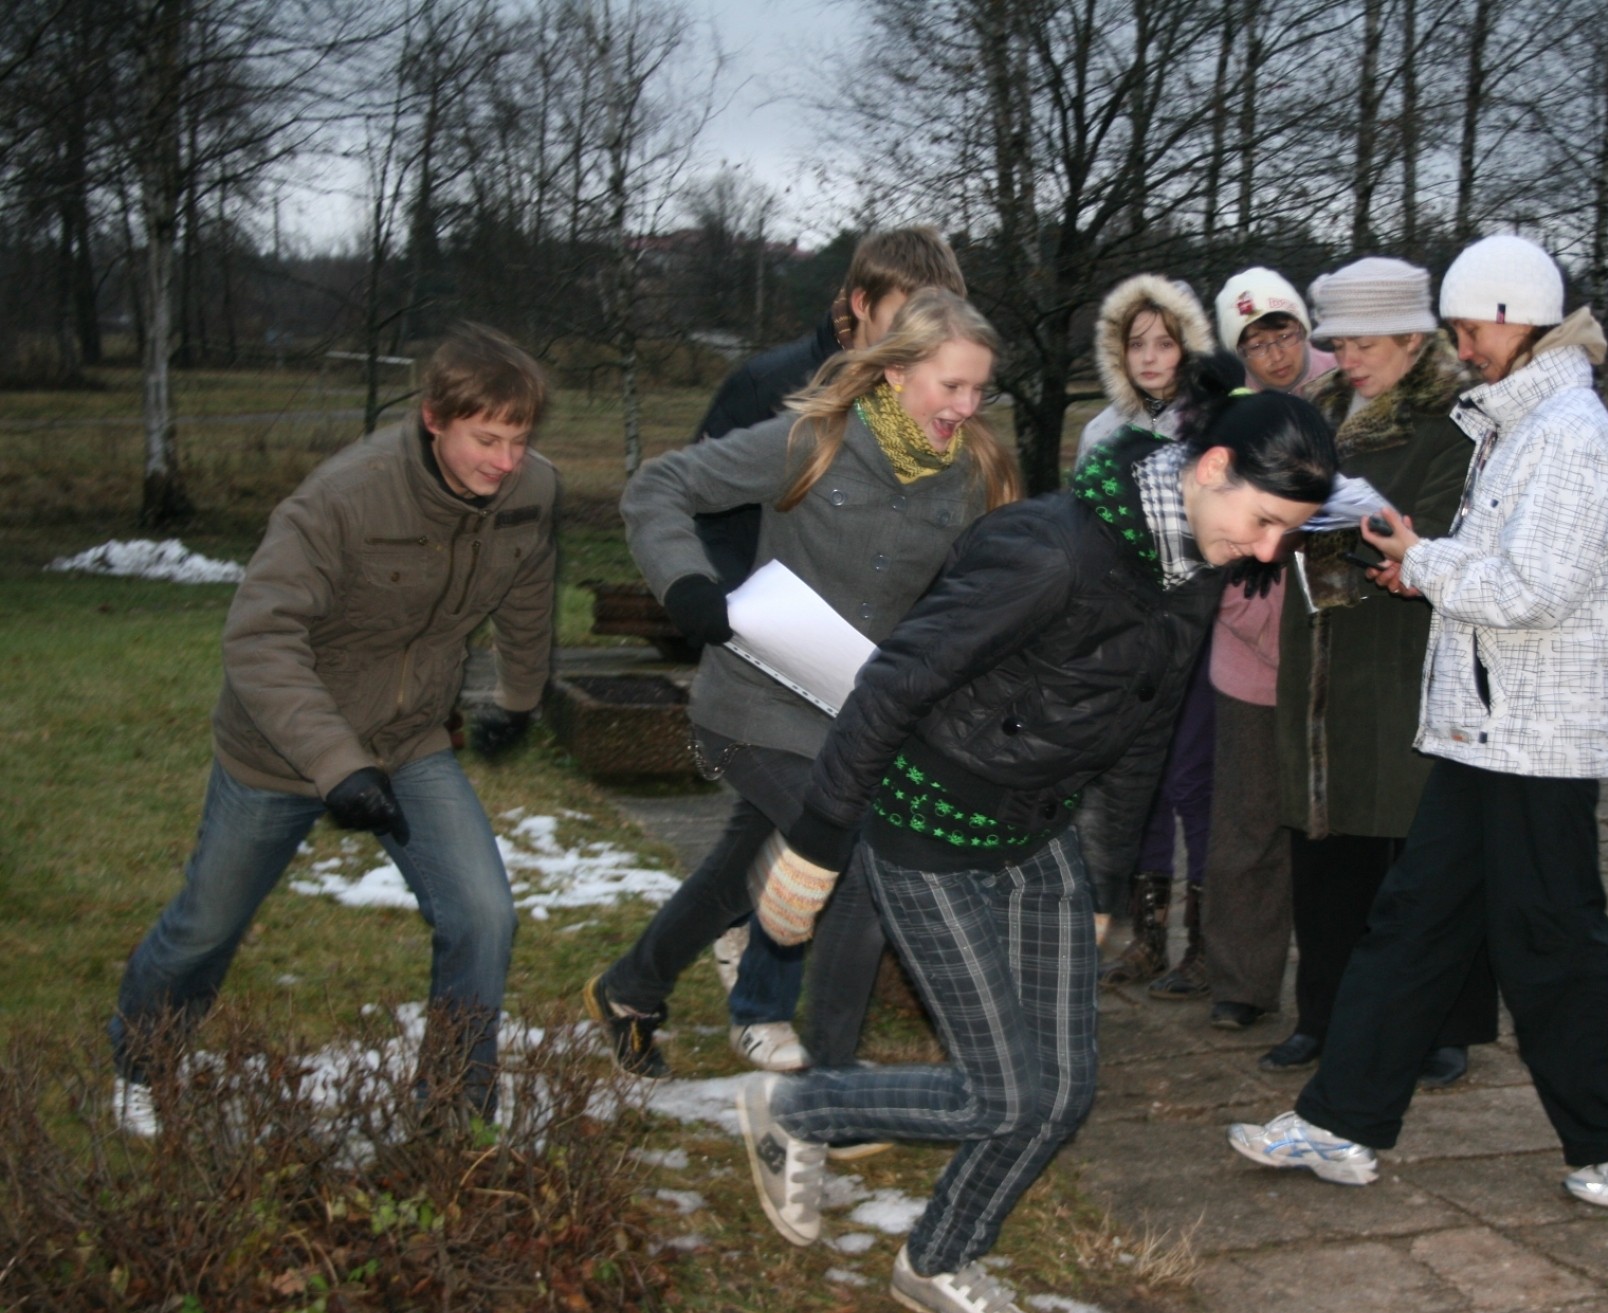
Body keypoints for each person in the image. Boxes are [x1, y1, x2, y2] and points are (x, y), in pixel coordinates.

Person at [732, 356, 1337, 1313]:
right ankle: (800, 1105)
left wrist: (1104, 881)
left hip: (1039, 833)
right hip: (925, 828)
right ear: (1213, 465)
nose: (1265, 549)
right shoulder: (1050, 550)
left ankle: (935, 1256)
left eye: (1284, 533)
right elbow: (890, 687)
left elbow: (1139, 736)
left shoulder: (1189, 574)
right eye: (1263, 520)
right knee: (1001, 1089)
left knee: (1060, 1089)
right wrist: (813, 845)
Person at [1229, 236, 1608, 1210]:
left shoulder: (1567, 433)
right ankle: (1339, 1121)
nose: (1457, 346)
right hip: (1483, 729)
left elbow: (1532, 588)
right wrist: (1424, 551)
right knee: (1411, 924)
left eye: (1463, 328)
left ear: (1513, 317)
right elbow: (1499, 563)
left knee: (1555, 939)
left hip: (1534, 735)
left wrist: (1420, 564)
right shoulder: (1516, 424)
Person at [108, 324, 558, 1136]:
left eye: (518, 440)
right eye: (486, 439)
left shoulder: (528, 493)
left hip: (410, 735)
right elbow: (260, 636)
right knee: (204, 926)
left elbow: (528, 590)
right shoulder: (341, 499)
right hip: (281, 746)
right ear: (433, 419)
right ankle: (140, 1063)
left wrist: (519, 696)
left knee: (483, 915)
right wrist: (336, 765)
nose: (505, 460)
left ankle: (453, 1109)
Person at [582, 289, 1020, 1086]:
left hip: (851, 718)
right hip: (753, 706)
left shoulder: (975, 474)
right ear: (894, 374)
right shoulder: (812, 440)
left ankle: (629, 989)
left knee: (741, 873)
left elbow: (977, 596)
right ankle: (834, 1082)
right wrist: (687, 586)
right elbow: (659, 487)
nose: (966, 406)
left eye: (978, 389)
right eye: (950, 386)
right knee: (855, 851)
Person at [691, 226, 969, 1072]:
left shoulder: (927, 402)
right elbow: (703, 503)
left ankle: (642, 978)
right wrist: (740, 610)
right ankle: (767, 1010)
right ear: (856, 304)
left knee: (760, 845)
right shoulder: (773, 387)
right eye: (902, 315)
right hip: (768, 651)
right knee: (824, 826)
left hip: (862, 665)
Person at [1260, 257, 1498, 1078]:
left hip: (1403, 657)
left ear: (1411, 336)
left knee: (1417, 851)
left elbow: (1439, 534)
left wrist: (1350, 527)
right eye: (1339, 342)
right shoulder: (1308, 413)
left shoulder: (1451, 425)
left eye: (1364, 343)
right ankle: (1323, 1015)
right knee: (1325, 854)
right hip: (1318, 655)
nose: (1347, 358)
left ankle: (1441, 1025)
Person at [1175, 265, 1340, 1019]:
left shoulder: (1346, 397)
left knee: (1333, 835)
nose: (1276, 352)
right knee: (1244, 827)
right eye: (1257, 341)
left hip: (1335, 655)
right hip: (1248, 656)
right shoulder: (1225, 420)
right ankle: (1241, 983)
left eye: (1286, 332)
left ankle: (1334, 987)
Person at [1074, 274, 1222, 986]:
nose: (1153, 356)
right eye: (1138, 343)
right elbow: (1081, 534)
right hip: (1124, 636)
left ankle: (1204, 942)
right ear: (1118, 351)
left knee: (1193, 780)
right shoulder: (1103, 433)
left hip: (1195, 632)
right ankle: (1145, 935)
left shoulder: (1212, 428)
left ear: (1187, 345)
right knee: (1140, 783)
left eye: (1166, 342)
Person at [1213, 265, 1338, 398]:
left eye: (1285, 337)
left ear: (1302, 329)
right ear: (1238, 353)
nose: (1277, 357)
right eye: (1256, 346)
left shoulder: (1345, 374)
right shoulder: (1229, 405)